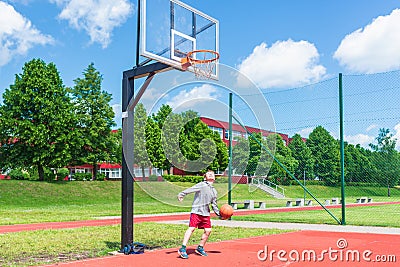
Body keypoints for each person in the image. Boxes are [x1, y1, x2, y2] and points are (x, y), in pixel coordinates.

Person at [177, 170, 221, 259]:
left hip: (205, 213)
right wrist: (181, 194)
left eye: (212, 174)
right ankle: (183, 248)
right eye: (209, 174)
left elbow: (214, 204)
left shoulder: (214, 191)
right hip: (196, 211)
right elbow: (191, 189)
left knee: (208, 230)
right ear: (205, 177)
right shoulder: (202, 185)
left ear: (214, 178)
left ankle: (200, 248)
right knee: (191, 228)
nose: (211, 174)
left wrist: (219, 214)